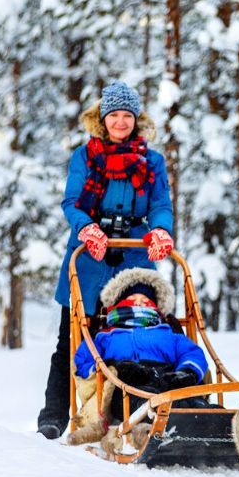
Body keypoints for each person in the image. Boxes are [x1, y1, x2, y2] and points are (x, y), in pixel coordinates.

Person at [37, 80, 176, 439]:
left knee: (140, 332)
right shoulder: (85, 157)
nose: (120, 122)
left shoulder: (152, 161)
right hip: (88, 258)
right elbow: (72, 202)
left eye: (127, 115)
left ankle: (140, 408)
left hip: (134, 254)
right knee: (71, 338)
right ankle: (54, 417)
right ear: (102, 119)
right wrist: (87, 228)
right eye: (114, 115)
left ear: (136, 119)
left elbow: (160, 205)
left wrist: (161, 230)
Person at [67, 268, 209, 446]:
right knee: (144, 401)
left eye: (146, 300)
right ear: (118, 304)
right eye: (133, 299)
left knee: (191, 401)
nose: (140, 303)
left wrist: (186, 371)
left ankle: (216, 422)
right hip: (126, 385)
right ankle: (151, 430)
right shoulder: (105, 336)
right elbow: (82, 362)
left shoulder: (169, 333)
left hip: (167, 379)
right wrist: (112, 367)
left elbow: (192, 353)